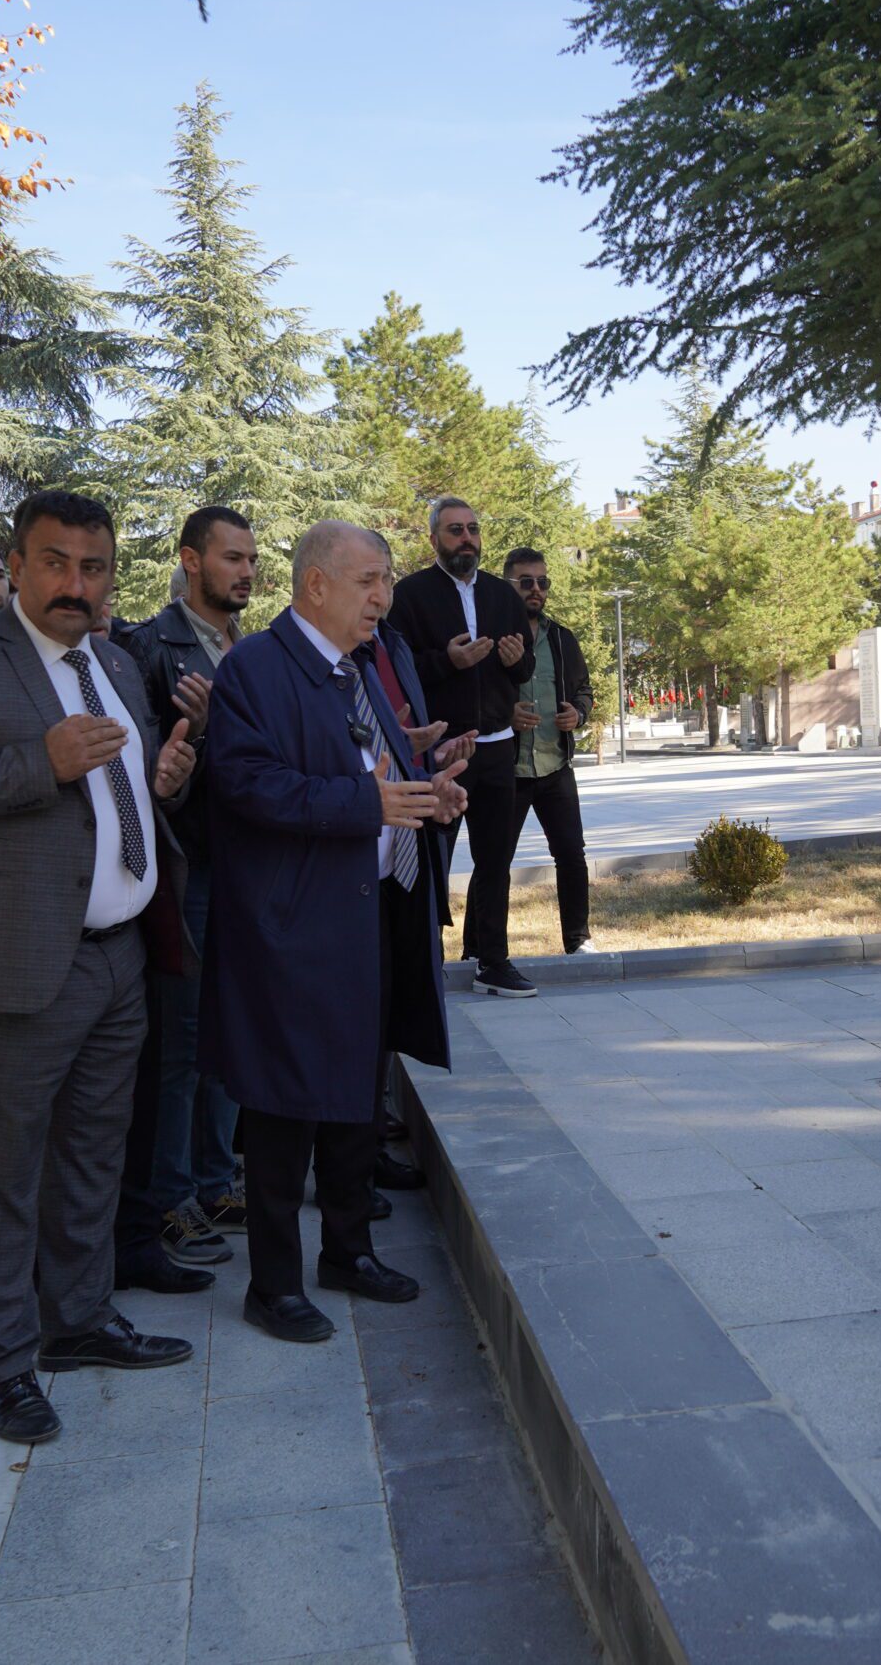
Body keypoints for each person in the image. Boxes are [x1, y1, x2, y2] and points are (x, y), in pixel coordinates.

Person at [0, 488, 201, 1444]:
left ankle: (81, 1319)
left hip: (118, 958)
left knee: (95, 1156)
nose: (75, 584)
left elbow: (119, 796)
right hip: (16, 966)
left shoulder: (115, 664)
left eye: (93, 567)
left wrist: (163, 781)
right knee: (3, 1172)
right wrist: (39, 763)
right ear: (15, 567)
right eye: (55, 563)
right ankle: (5, 1363)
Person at [206, 521, 466, 1344]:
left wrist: (429, 797)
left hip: (373, 910)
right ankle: (273, 1283)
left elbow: (380, 777)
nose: (383, 598)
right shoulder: (254, 669)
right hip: (297, 927)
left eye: (386, 581)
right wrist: (371, 805)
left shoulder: (355, 669)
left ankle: (348, 1250)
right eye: (369, 581)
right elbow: (246, 787)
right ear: (315, 584)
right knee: (286, 1107)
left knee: (358, 1093)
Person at [118, 505, 257, 1268]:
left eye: (251, 560)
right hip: (185, 868)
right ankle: (167, 1196)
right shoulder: (147, 647)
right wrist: (197, 735)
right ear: (190, 560)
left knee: (228, 1032)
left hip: (247, 866)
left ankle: (214, 1176)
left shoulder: (256, 650)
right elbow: (144, 775)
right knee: (179, 1040)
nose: (244, 572)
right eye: (231, 557)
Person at [390, 496, 538, 999]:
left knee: (495, 861)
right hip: (441, 753)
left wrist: (517, 662)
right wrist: (446, 662)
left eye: (473, 529)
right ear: (434, 538)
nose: (467, 538)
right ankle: (423, 964)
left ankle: (492, 961)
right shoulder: (409, 595)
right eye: (455, 530)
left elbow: (525, 669)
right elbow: (398, 666)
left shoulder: (502, 594)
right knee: (432, 860)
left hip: (496, 747)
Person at [502, 547, 601, 956]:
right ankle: (477, 948)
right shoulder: (493, 638)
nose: (536, 590)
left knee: (571, 857)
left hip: (556, 766)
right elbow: (472, 698)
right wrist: (504, 717)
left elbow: (585, 692)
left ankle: (577, 941)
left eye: (543, 582)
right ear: (508, 584)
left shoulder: (561, 638)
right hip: (507, 769)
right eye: (526, 582)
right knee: (494, 863)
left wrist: (577, 714)